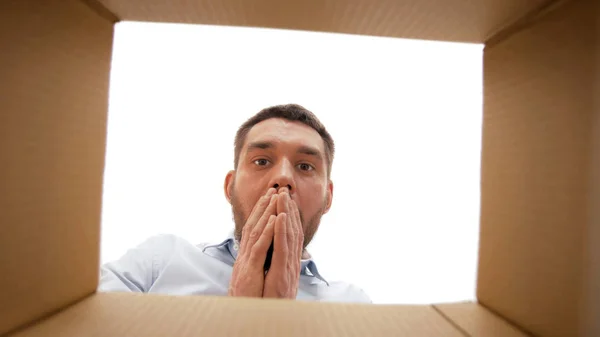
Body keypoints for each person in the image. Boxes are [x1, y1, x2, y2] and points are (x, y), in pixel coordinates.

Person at [99, 104, 371, 303]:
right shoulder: (158, 263)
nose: (283, 178)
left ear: (328, 198)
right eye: (262, 161)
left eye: (305, 166)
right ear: (230, 187)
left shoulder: (352, 306)